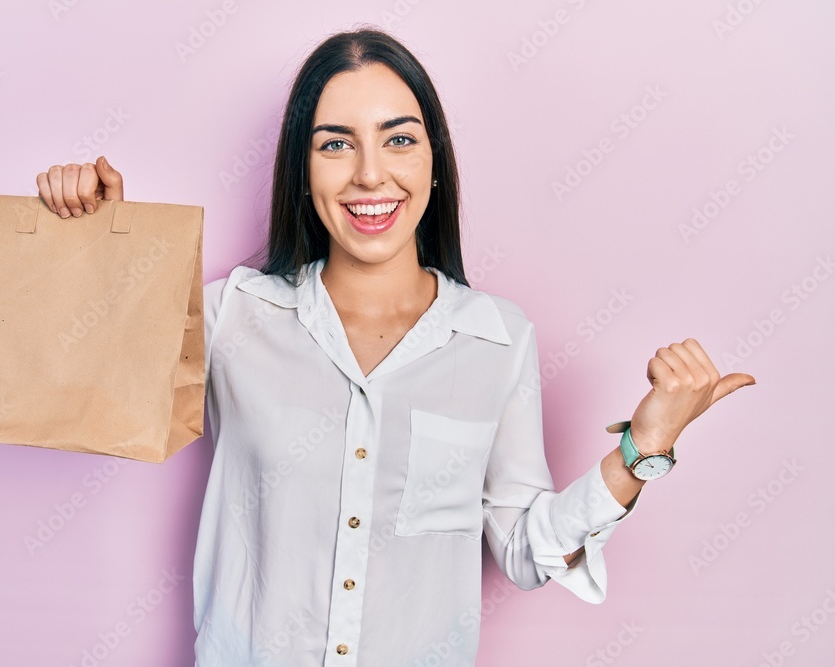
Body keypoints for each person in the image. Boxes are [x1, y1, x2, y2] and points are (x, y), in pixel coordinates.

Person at [36, 27, 754, 667]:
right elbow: (93, 398)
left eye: (399, 138)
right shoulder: (231, 315)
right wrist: (96, 237)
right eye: (336, 143)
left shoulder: (497, 340)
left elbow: (528, 550)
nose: (370, 174)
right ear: (304, 169)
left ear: (434, 162)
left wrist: (644, 447)